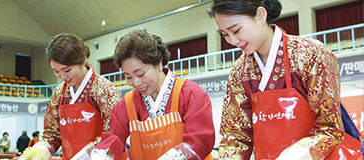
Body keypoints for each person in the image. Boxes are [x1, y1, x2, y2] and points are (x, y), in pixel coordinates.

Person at [211, 0, 363, 159]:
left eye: (236, 30)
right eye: (225, 35)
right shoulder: (239, 72)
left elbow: (331, 129)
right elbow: (236, 137)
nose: (233, 41)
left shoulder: (310, 54)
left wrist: (300, 152)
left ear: (261, 15)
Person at [90, 29, 215, 160]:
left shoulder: (190, 93)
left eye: (141, 74)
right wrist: (101, 154)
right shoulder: (127, 104)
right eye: (128, 77)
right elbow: (113, 138)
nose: (135, 82)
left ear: (159, 64)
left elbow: (201, 139)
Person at [21, 33, 121, 160]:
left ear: (83, 61)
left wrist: (91, 154)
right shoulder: (58, 93)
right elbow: (52, 135)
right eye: (56, 71)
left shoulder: (104, 89)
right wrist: (40, 150)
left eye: (67, 70)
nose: (62, 76)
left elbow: (113, 132)